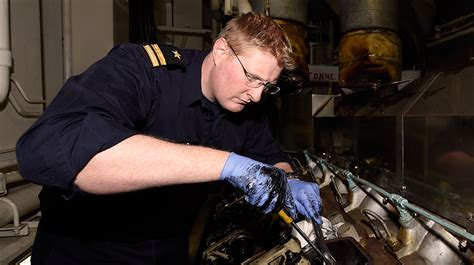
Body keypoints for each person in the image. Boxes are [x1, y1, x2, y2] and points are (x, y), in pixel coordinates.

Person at [16, 12, 322, 265]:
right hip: (86, 249)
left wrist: (288, 179)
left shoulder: (247, 108)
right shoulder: (142, 71)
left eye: (267, 86)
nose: (257, 95)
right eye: (252, 77)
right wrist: (227, 165)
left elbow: (270, 155)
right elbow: (59, 151)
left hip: (167, 248)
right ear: (220, 51)